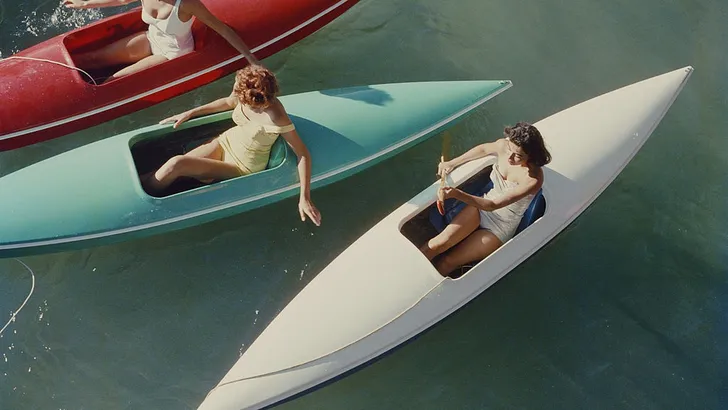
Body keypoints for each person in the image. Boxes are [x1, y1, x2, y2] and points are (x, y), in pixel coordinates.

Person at [142, 64, 321, 226]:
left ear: (252, 97)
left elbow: (302, 154)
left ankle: (142, 202)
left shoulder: (276, 117)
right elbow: (228, 102)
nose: (234, 89)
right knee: (166, 170)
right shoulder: (242, 93)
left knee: (177, 164)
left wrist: (304, 197)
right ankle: (144, 183)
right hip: (224, 142)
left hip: (242, 166)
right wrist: (191, 112)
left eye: (237, 88)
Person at [420, 123, 551, 276]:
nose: (510, 157)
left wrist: (457, 194)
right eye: (510, 149)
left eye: (518, 156)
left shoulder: (533, 179)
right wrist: (452, 163)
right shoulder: (503, 146)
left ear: (531, 156)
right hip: (480, 208)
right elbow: (483, 149)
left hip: (499, 227)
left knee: (447, 262)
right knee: (436, 244)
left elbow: (493, 205)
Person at [62, 0, 259, 81]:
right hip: (151, 38)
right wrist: (85, 3)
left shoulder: (187, 4)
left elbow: (222, 29)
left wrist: (252, 60)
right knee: (91, 59)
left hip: (172, 53)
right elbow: (121, 0)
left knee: (112, 81)